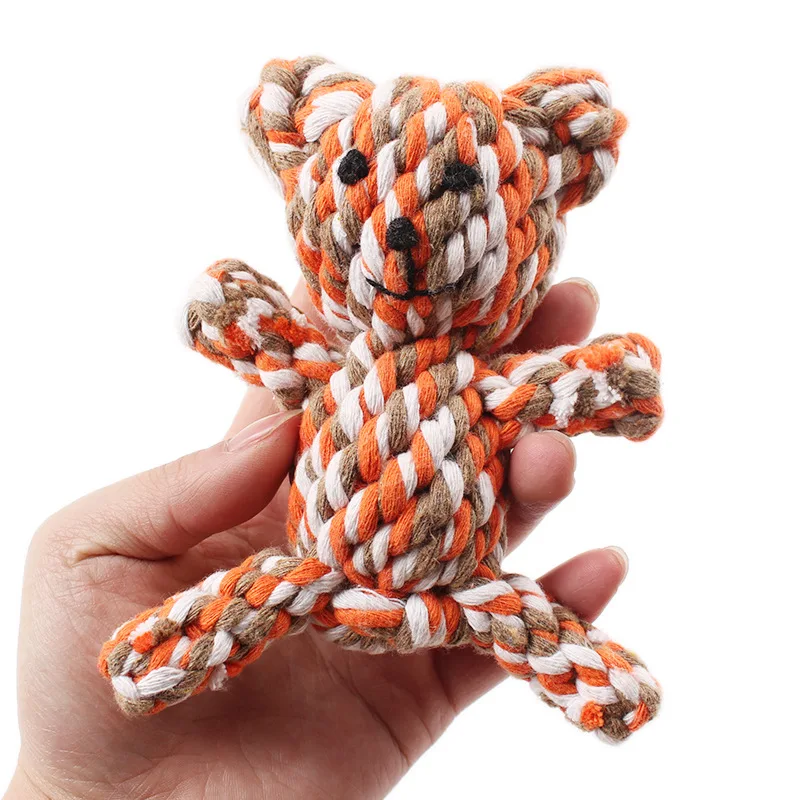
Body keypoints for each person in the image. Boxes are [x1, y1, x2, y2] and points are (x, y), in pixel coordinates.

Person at [6, 280, 629, 800]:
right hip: (329, 578)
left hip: (434, 584)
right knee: (270, 594)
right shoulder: (347, 376)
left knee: (279, 593)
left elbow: (565, 387)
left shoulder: (471, 387)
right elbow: (267, 341)